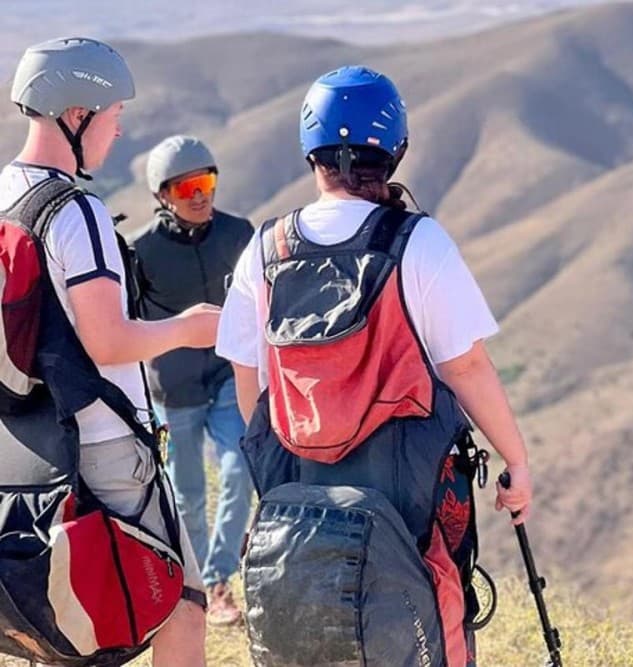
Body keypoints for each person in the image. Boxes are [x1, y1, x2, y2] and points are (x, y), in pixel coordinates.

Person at [216, 66, 532, 663]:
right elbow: (466, 367)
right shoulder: (419, 243)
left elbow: (247, 377)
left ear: (312, 151)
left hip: (298, 487)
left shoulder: (266, 247)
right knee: (427, 606)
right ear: (395, 150)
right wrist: (517, 462)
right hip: (409, 487)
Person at [1, 37, 217, 666]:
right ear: (77, 115)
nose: (118, 134)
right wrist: (188, 327)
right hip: (107, 449)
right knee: (181, 605)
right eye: (114, 116)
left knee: (64, 623)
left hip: (28, 449)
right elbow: (109, 340)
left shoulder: (7, 196)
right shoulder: (75, 211)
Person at [131, 135, 253, 626]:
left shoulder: (238, 234)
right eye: (185, 189)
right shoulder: (140, 250)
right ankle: (195, 585)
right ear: (163, 196)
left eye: (205, 182)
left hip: (227, 374)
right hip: (173, 390)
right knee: (187, 495)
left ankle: (219, 580)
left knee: (240, 469)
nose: (199, 196)